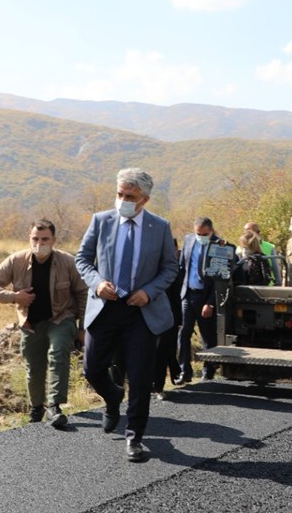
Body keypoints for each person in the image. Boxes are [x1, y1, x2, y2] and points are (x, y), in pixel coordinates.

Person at [76, 168, 179, 463]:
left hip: (140, 312)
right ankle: (112, 397)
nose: (123, 200)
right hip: (105, 307)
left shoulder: (159, 227)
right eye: (120, 194)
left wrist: (149, 291)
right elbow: (82, 259)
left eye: (130, 196)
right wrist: (97, 284)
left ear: (144, 199)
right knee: (92, 368)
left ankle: (135, 437)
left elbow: (170, 268)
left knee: (140, 376)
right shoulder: (101, 221)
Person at [0, 219, 87, 430]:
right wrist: (14, 296)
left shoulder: (67, 262)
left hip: (61, 317)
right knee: (34, 366)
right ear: (29, 239)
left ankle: (55, 406)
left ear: (54, 240)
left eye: (45, 239)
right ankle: (36, 407)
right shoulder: (16, 261)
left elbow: (83, 293)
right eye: (35, 239)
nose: (40, 243)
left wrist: (83, 328)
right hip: (31, 323)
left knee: (58, 355)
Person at [178, 216, 225, 383]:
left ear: (211, 231)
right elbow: (183, 267)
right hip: (188, 295)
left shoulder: (220, 245)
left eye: (204, 234)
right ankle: (185, 371)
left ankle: (208, 371)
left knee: (207, 336)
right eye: (198, 233)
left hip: (206, 297)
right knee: (184, 333)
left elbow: (220, 278)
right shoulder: (189, 240)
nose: (200, 236)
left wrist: (210, 302)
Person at [151, 237, 184, 401]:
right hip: (149, 313)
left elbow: (177, 296)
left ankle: (158, 386)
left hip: (168, 316)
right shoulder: (150, 266)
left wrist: (178, 320)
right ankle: (148, 385)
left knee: (163, 352)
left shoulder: (174, 269)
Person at [243, 221, 281, 285]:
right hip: (248, 286)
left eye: (251, 232)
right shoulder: (240, 248)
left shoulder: (269, 247)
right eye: (246, 232)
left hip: (268, 286)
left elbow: (275, 269)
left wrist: (278, 284)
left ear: (258, 233)